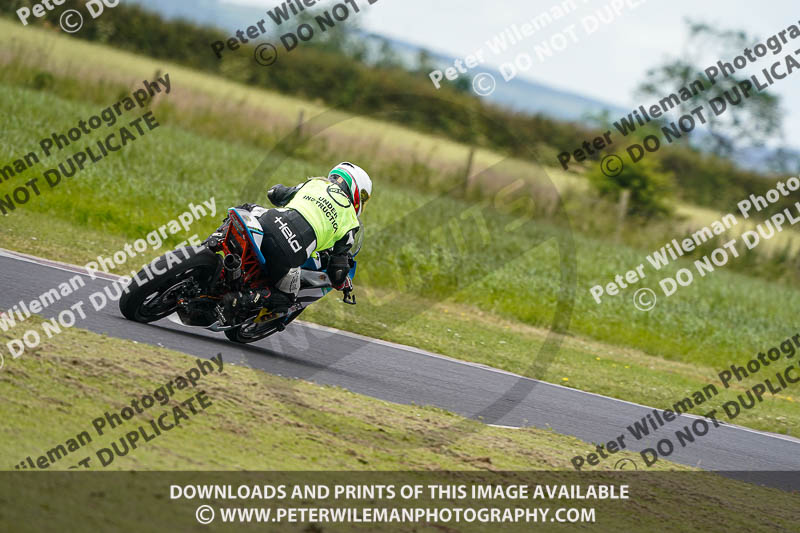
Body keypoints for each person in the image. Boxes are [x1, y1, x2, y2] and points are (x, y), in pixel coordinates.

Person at [217, 162, 372, 324]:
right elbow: (337, 270)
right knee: (287, 298)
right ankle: (239, 300)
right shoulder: (350, 220)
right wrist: (341, 283)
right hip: (289, 249)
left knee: (248, 208)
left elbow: (274, 194)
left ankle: (215, 240)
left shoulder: (315, 183)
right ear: (355, 191)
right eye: (363, 197)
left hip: (268, 222)